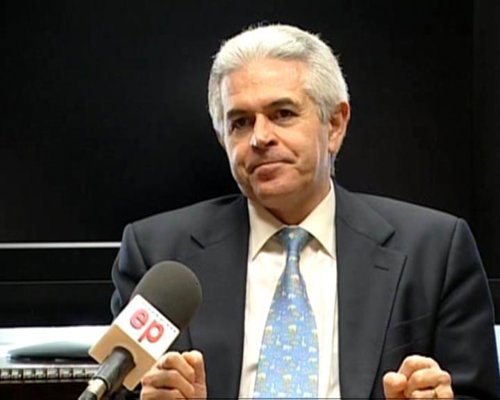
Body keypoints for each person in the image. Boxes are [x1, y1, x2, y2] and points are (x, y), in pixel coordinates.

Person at [111, 24, 500, 399]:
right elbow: (116, 389)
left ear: (335, 124)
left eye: (282, 113)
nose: (260, 137)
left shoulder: (434, 251)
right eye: (240, 122)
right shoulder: (158, 256)